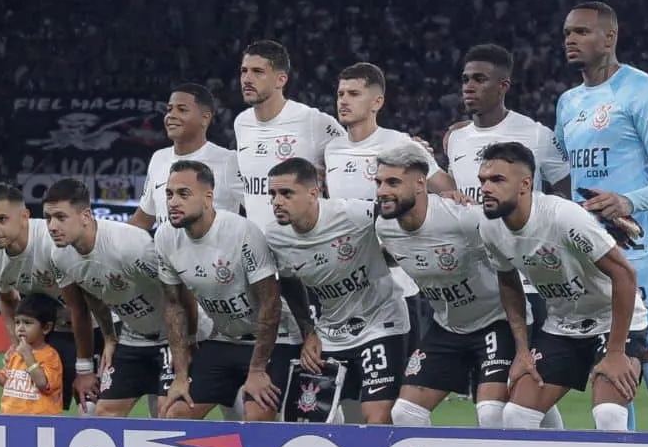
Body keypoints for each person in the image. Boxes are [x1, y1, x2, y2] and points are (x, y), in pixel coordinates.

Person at [555, 0, 648, 433]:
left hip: (643, 251)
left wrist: (626, 202)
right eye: (567, 33)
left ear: (609, 38)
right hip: (593, 256)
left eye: (582, 32)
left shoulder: (644, 92)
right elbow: (560, 172)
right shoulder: (567, 103)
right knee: (614, 375)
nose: (571, 40)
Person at [476, 142, 648, 431]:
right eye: (483, 180)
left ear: (525, 184)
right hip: (562, 326)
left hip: (613, 322)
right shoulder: (490, 227)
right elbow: (509, 285)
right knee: (515, 417)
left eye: (497, 180)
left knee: (608, 415)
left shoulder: (563, 217)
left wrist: (616, 352)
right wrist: (522, 352)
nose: (486, 188)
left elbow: (625, 275)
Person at [445, 43, 570, 430]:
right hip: (478, 283)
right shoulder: (455, 139)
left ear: (503, 85)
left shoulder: (536, 134)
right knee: (521, 393)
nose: (469, 86)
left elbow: (565, 194)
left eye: (479, 79)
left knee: (522, 388)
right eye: (465, 79)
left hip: (527, 281)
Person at [374, 142, 518, 428]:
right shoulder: (385, 227)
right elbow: (394, 257)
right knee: (404, 414)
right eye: (378, 183)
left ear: (420, 184)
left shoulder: (461, 217)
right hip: (447, 327)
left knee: (492, 413)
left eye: (392, 182)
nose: (382, 191)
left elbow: (514, 242)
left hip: (495, 321)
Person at [323, 62, 459, 361]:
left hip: (397, 285)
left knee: (402, 382)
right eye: (340, 94)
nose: (343, 101)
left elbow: (449, 193)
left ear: (377, 102)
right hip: (349, 287)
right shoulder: (332, 149)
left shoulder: (400, 143)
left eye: (354, 94)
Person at [155, 161, 308, 422]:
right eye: (169, 194)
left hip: (275, 340)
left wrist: (257, 370)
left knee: (257, 417)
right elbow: (174, 306)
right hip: (224, 338)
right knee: (175, 415)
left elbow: (270, 302)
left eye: (183, 194)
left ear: (208, 197)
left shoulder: (242, 232)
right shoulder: (165, 237)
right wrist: (180, 375)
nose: (173, 202)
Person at [264, 156, 409, 425]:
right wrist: (309, 333)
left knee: (376, 417)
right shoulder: (275, 236)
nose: (277, 202)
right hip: (330, 330)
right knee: (306, 416)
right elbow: (289, 282)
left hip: (379, 322)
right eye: (272, 194)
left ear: (313, 193)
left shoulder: (352, 213)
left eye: (286, 193)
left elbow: (400, 210)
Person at [44, 178, 185, 418]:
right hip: (132, 337)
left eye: (60, 217)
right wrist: (109, 337)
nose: (52, 226)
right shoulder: (60, 257)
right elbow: (92, 295)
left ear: (85, 216)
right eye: (48, 218)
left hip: (170, 337)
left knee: (167, 412)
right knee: (104, 412)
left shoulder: (130, 245)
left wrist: (186, 340)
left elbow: (176, 292)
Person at [0, 181, 99, 412]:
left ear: (24, 216)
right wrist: (17, 344)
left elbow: (79, 308)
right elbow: (7, 300)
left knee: (90, 407)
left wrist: (84, 368)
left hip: (92, 327)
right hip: (52, 331)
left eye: (2, 219)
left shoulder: (51, 243)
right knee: (36, 401)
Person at [233, 40, 345, 227]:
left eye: (258, 72)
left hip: (304, 240)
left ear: (281, 80)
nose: (247, 79)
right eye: (244, 71)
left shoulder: (312, 121)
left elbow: (354, 156)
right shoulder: (241, 122)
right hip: (259, 240)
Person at [130, 83, 246, 230]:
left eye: (182, 109)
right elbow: (142, 221)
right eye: (169, 109)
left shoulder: (228, 160)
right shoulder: (158, 158)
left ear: (205, 118)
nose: (171, 115)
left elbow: (257, 210)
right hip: (166, 246)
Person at [0, 293, 64, 415]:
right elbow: (9, 383)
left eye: (27, 323)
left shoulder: (50, 355)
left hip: (38, 421)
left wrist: (28, 356)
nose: (20, 328)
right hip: (10, 417)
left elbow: (42, 384)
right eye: (17, 322)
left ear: (46, 328)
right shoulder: (16, 353)